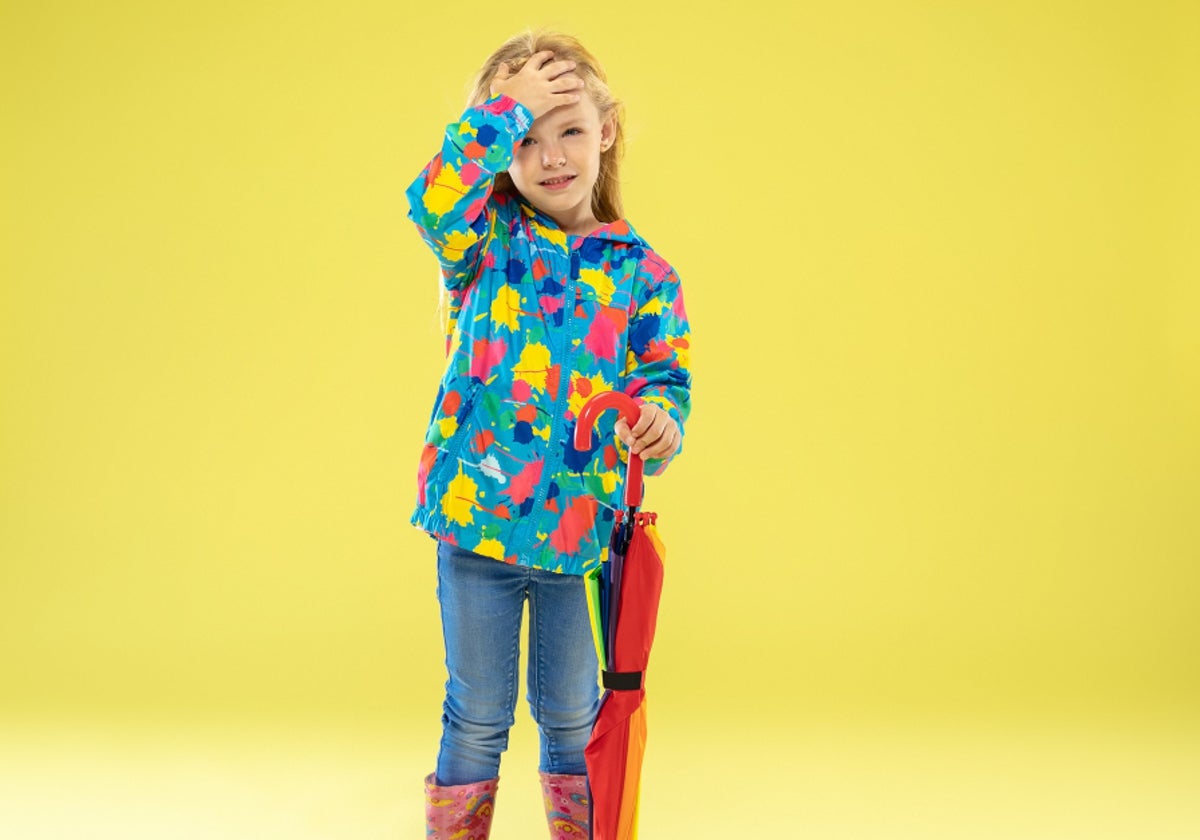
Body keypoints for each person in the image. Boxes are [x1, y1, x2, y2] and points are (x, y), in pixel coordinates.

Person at [404, 28, 692, 840]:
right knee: (477, 719)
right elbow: (430, 201)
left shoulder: (645, 274)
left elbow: (666, 385)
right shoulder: (484, 240)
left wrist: (661, 424)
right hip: (477, 528)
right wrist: (499, 115)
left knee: (572, 721)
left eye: (568, 126)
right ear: (500, 147)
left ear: (607, 129)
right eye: (524, 137)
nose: (550, 155)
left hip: (577, 540)